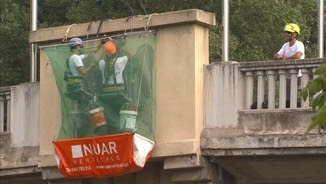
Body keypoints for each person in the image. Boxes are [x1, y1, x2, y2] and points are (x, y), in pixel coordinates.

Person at [274, 23, 305, 107]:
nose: (286, 34)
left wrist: (285, 58)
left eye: (288, 32)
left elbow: (298, 56)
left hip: (298, 77)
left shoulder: (299, 44)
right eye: (286, 32)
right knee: (287, 101)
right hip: (287, 77)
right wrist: (279, 56)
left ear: (295, 34)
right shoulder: (285, 45)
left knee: (298, 100)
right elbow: (276, 55)